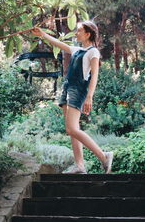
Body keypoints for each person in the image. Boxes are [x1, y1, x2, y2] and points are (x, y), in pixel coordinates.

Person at [31, 20, 113, 174]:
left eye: (79, 30)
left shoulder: (93, 52)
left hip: (78, 90)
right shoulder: (76, 50)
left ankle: (104, 156)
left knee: (71, 129)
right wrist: (42, 34)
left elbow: (94, 75)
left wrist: (90, 96)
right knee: (73, 129)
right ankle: (80, 165)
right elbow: (58, 43)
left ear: (88, 34)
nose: (76, 33)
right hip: (67, 88)